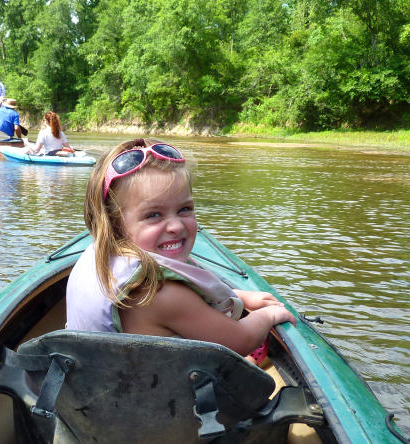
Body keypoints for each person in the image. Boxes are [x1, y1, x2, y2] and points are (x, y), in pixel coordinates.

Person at [66, 138, 296, 361]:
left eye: (185, 209)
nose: (176, 226)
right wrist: (268, 315)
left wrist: (240, 297)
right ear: (115, 223)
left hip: (98, 387)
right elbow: (242, 340)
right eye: (153, 215)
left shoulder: (101, 255)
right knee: (246, 360)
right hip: (156, 397)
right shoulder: (160, 293)